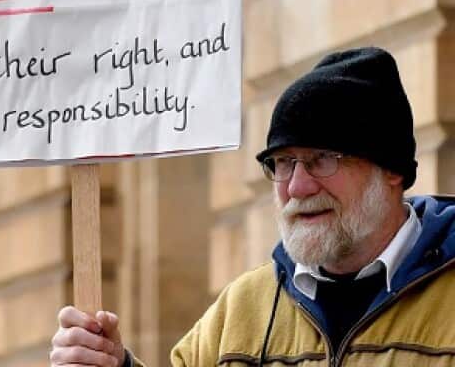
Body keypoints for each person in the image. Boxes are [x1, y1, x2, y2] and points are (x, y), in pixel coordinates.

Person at [49, 47, 455, 366]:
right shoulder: (241, 309)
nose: (297, 186)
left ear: (391, 170)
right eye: (282, 162)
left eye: (323, 159)